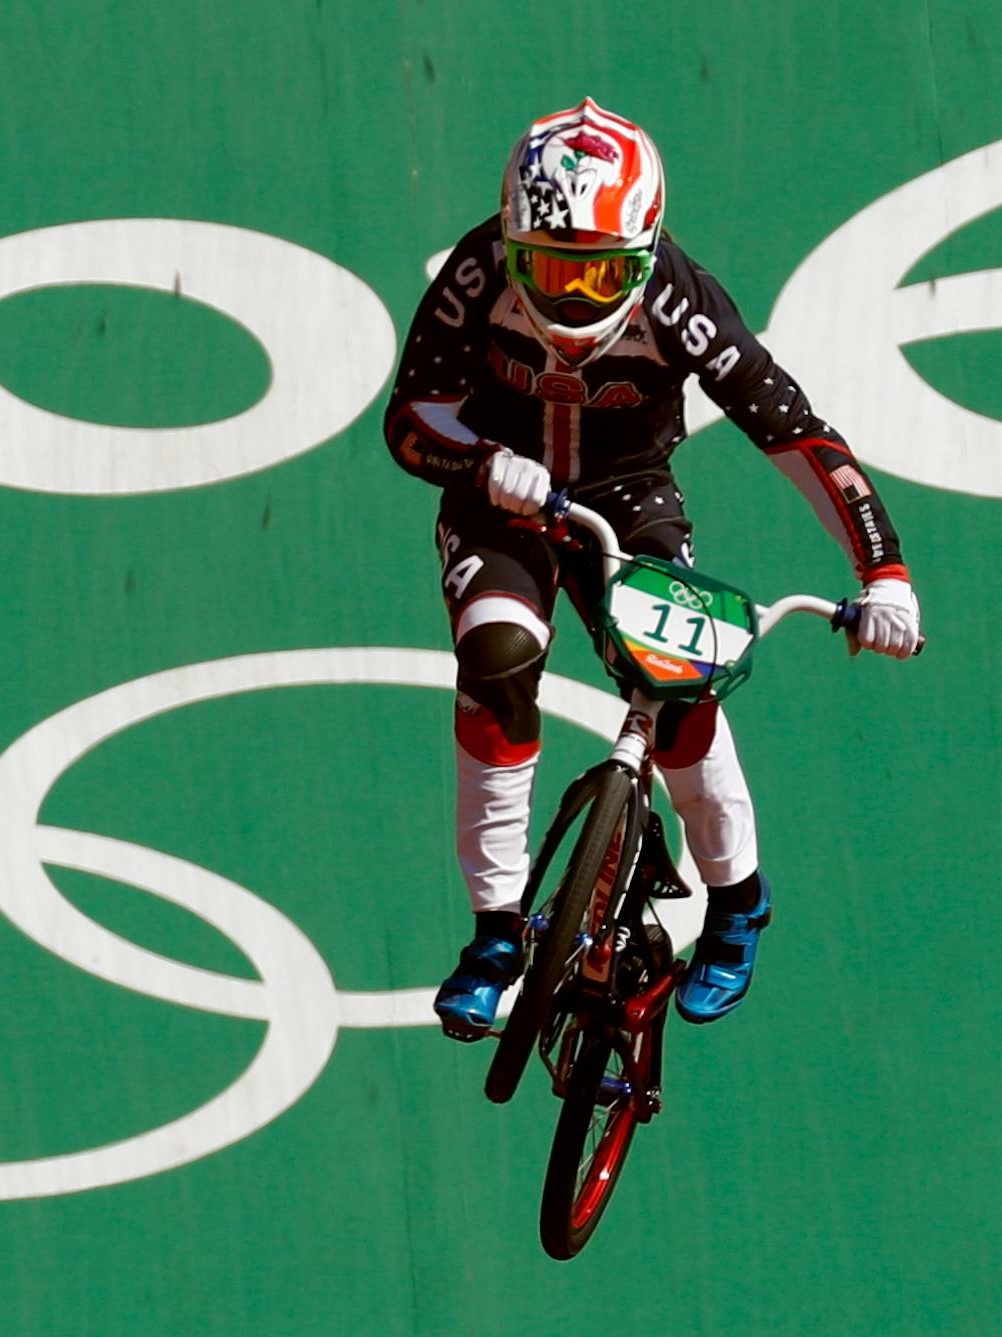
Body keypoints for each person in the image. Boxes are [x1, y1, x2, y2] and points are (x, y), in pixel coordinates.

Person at [384, 99, 922, 1038]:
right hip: (500, 489)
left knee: (678, 695)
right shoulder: (476, 269)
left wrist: (886, 571)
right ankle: (496, 933)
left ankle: (738, 901)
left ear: (646, 251)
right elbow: (410, 417)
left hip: (625, 489)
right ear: (512, 243)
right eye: (552, 269)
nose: (577, 298)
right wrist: (478, 464)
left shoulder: (680, 297)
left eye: (600, 273)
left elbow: (795, 433)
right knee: (498, 656)